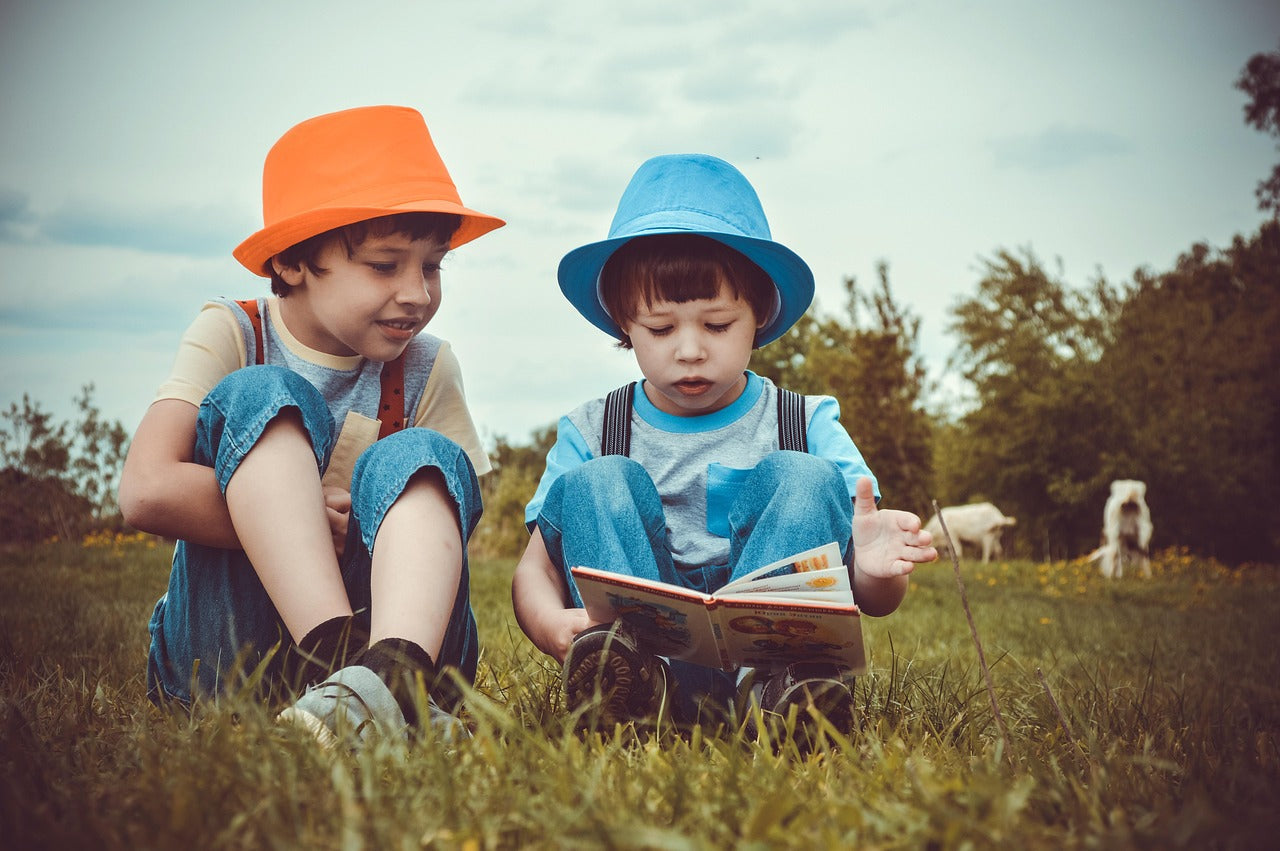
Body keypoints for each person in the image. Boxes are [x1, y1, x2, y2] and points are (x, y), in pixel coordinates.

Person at [510, 153, 937, 736]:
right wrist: (551, 625)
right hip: (641, 657)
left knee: (805, 476)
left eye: (716, 325)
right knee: (598, 481)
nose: (689, 350)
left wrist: (876, 571)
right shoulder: (591, 429)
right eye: (660, 329)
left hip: (776, 657)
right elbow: (534, 569)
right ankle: (627, 695)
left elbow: (873, 596)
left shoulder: (805, 421)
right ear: (623, 322)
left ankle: (781, 698)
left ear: (758, 314)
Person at [118, 105, 504, 747]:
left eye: (433, 266)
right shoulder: (234, 332)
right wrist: (294, 518)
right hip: (230, 654)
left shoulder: (429, 365)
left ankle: (393, 677)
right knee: (263, 394)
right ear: (294, 262)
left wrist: (381, 521)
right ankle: (348, 672)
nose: (417, 293)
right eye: (386, 266)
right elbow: (146, 489)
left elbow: (457, 510)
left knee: (422, 455)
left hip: (395, 630)